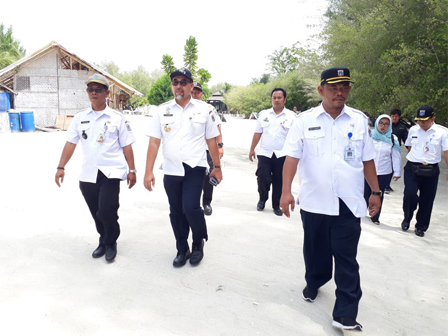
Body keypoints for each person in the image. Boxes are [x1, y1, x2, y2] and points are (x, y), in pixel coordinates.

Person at [280, 67, 381, 332]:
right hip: (314, 202)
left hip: (348, 203)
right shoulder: (304, 120)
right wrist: (285, 191)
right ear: (321, 90)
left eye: (345, 86)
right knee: (315, 253)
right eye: (334, 87)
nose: (340, 92)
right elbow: (292, 158)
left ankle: (345, 313)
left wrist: (376, 191)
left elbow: (367, 158)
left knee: (347, 258)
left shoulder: (358, 120)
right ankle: (314, 280)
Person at [144, 68, 222, 267]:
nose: (178, 85)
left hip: (194, 167)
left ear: (191, 86)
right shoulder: (161, 110)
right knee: (176, 211)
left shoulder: (205, 109)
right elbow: (154, 142)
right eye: (175, 82)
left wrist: (217, 166)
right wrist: (148, 171)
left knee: (190, 207)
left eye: (183, 82)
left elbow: (212, 140)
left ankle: (198, 243)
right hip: (171, 168)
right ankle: (181, 248)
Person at [55, 74, 137, 262]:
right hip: (88, 173)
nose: (93, 92)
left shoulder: (117, 118)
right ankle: (103, 238)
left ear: (107, 93)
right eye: (90, 89)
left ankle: (111, 243)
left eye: (98, 89)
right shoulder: (80, 118)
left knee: (107, 210)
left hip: (111, 172)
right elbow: (70, 143)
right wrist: (61, 166)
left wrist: (132, 170)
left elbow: (127, 146)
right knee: (96, 212)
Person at [401, 105, 448, 237]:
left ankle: (421, 226)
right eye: (419, 120)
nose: (421, 123)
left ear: (433, 118)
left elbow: (446, 151)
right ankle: (407, 218)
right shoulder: (413, 130)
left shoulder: (442, 132)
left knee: (427, 199)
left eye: (425, 120)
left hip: (431, 169)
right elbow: (409, 147)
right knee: (410, 195)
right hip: (413, 167)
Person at [249, 88, 296, 216]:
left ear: (285, 99)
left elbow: (294, 137)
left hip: (282, 154)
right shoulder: (264, 114)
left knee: (279, 180)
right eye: (274, 97)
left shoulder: (291, 116)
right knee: (262, 177)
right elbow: (258, 132)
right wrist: (252, 149)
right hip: (265, 152)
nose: (276, 100)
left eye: (279, 97)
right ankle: (262, 199)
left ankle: (276, 205)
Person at [192, 81, 224, 216]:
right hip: (193, 150)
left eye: (197, 92)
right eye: (192, 91)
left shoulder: (208, 108)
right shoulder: (182, 108)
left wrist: (220, 146)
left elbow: (217, 128)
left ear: (201, 94)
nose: (194, 94)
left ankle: (206, 203)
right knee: (193, 177)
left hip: (208, 149)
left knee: (209, 176)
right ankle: (193, 203)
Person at [363, 114, 402, 224]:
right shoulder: (369, 136)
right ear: (376, 123)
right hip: (368, 171)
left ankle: (375, 216)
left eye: (386, 124)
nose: (383, 126)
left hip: (384, 171)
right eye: (381, 123)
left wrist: (397, 171)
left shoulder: (393, 139)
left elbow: (396, 156)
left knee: (379, 194)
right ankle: (362, 212)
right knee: (365, 193)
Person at [385, 108, 408, 193]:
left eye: (396, 116)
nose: (394, 118)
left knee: (392, 167)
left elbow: (406, 140)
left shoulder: (402, 127)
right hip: (385, 148)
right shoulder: (386, 125)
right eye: (393, 116)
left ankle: (387, 184)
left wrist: (410, 150)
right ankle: (384, 184)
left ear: (399, 117)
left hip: (395, 149)